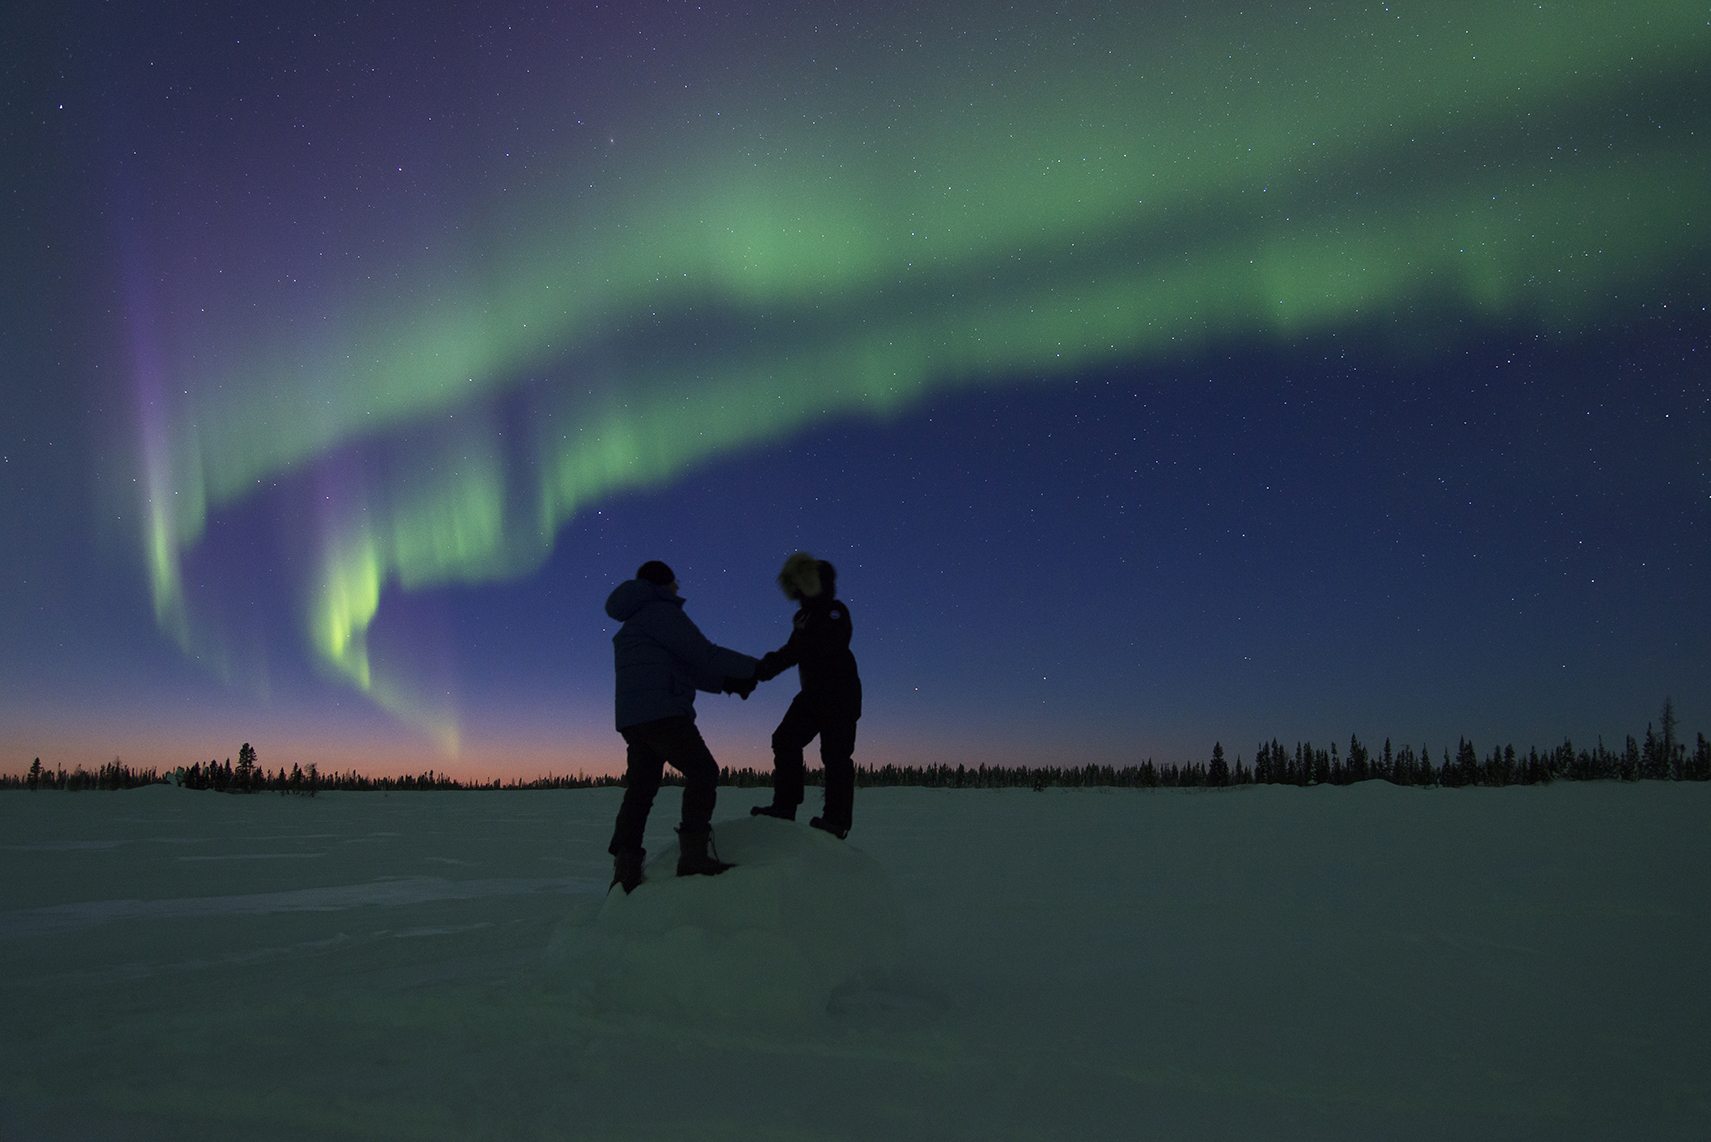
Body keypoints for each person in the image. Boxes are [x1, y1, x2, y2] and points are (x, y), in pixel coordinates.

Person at [605, 560, 758, 893]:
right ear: (661, 583)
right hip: (664, 713)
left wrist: (728, 683)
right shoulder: (660, 612)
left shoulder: (636, 621)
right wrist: (755, 668)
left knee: (641, 790)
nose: (678, 587)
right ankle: (693, 857)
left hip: (635, 718)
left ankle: (625, 869)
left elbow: (681, 666)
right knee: (703, 771)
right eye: (674, 581)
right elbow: (703, 653)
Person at [749, 552, 863, 838]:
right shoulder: (802, 616)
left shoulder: (836, 611)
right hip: (812, 695)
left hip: (840, 694)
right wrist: (763, 668)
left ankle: (836, 821)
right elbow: (791, 651)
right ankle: (785, 807)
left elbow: (831, 644)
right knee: (785, 739)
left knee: (836, 755)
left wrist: (795, 649)